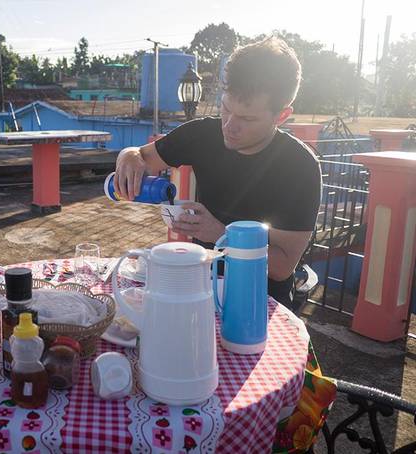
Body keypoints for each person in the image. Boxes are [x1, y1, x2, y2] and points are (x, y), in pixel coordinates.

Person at [114, 37, 322, 308]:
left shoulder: (300, 166)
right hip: (200, 287)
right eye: (225, 109)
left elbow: (282, 266)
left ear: (281, 116)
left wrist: (222, 235)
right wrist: (127, 155)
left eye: (247, 119)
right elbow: (141, 156)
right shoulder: (203, 134)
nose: (229, 126)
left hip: (261, 300)